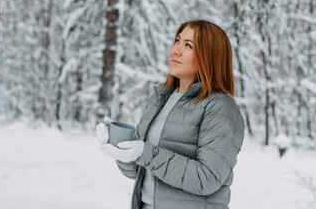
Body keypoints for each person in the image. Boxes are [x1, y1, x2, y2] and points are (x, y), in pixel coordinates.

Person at [96, 19, 245, 209]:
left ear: (210, 56)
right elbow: (140, 170)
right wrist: (119, 145)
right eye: (177, 41)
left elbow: (207, 178)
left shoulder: (220, 107)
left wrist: (145, 152)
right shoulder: (162, 98)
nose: (176, 50)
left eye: (188, 45)